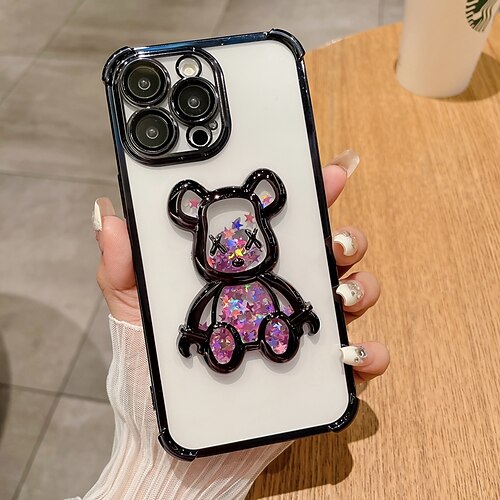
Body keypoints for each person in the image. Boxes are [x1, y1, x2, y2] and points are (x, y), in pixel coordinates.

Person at [71, 151, 390, 500]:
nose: (237, 256)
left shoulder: (266, 279)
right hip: (228, 334)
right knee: (222, 336)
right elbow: (199, 311)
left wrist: (303, 315)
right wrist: (194, 335)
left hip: (270, 324)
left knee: (277, 323)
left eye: (248, 244)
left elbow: (290, 295)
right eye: (220, 247)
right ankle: (226, 343)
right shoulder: (214, 290)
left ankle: (275, 334)